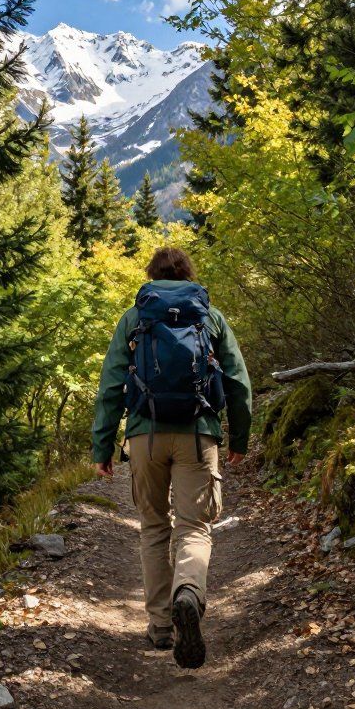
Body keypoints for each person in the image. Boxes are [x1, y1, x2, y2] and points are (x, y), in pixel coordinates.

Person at [91, 247, 252, 670]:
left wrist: (102, 447)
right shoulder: (208, 316)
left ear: (151, 276)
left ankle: (161, 627)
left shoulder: (135, 317)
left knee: (153, 528)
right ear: (188, 274)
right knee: (194, 526)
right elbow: (237, 380)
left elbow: (110, 385)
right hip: (198, 435)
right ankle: (188, 593)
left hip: (145, 435)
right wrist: (240, 438)